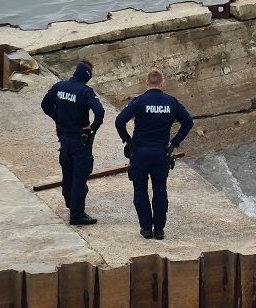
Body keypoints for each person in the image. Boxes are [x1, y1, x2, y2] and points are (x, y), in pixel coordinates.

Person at [115, 68, 194, 240]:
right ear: (162, 84)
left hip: (140, 152)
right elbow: (188, 122)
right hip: (160, 153)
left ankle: (146, 229)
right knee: (160, 191)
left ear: (146, 83)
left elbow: (119, 121)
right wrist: (174, 143)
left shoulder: (140, 101)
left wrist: (128, 140)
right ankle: (159, 230)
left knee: (140, 190)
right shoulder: (171, 102)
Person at [41, 61, 105, 225]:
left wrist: (58, 119)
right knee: (79, 177)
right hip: (79, 141)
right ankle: (77, 214)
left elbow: (45, 104)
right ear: (87, 76)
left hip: (64, 139)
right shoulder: (86, 92)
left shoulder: (59, 86)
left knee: (67, 174)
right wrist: (92, 128)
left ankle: (70, 203)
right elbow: (100, 111)